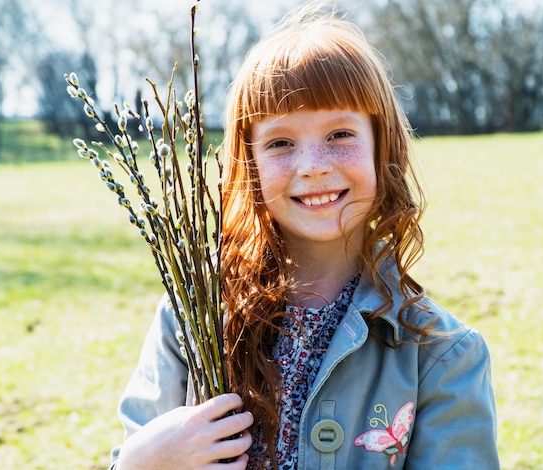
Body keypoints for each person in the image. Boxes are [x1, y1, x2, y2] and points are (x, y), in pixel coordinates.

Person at [110, 2, 500, 469]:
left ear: (383, 147)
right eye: (280, 143)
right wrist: (142, 463)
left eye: (340, 133)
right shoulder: (191, 321)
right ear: (248, 163)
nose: (313, 165)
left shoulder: (441, 354)